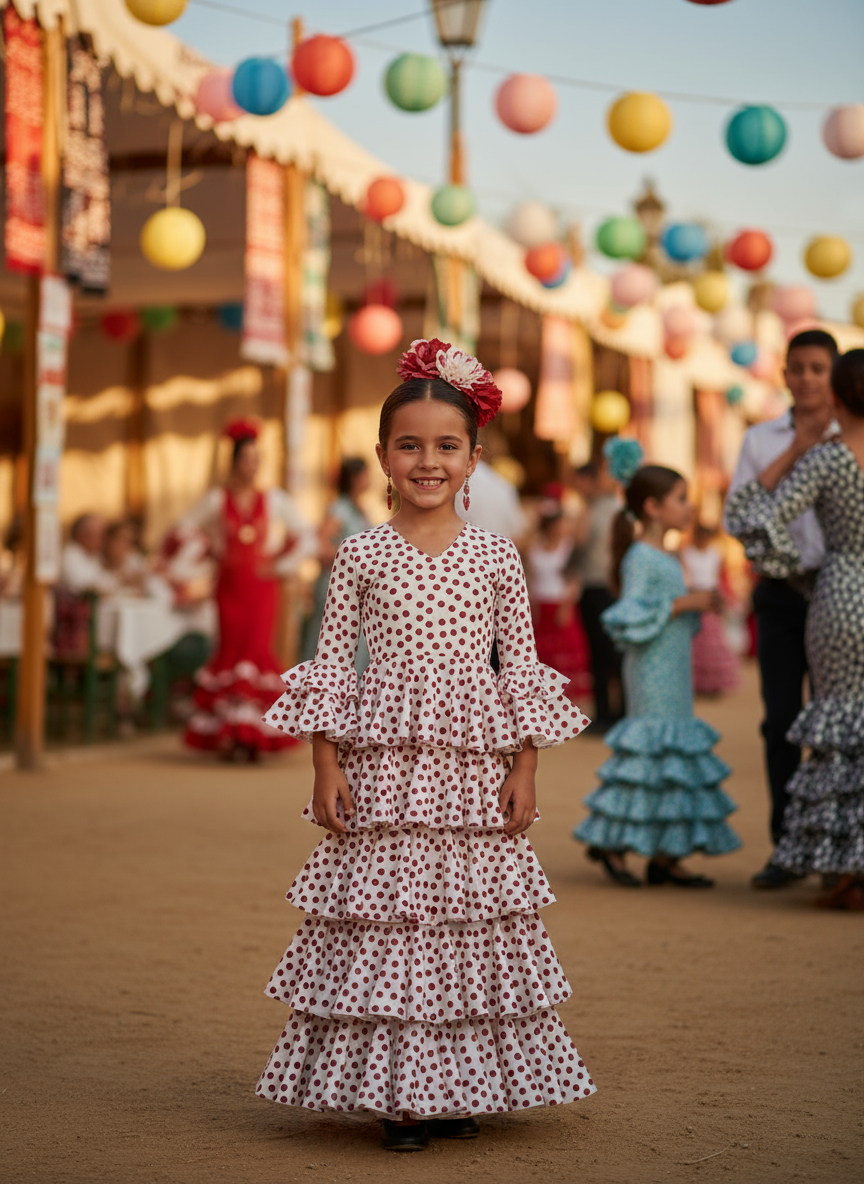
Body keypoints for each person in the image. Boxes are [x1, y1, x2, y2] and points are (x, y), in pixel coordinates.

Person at [256, 339, 594, 1150]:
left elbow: (521, 666)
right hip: (384, 772)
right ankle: (401, 1096)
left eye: (447, 446)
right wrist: (325, 762)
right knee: (393, 922)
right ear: (382, 456)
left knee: (463, 921)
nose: (428, 461)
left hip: (472, 772)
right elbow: (334, 664)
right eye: (409, 445)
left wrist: (527, 766)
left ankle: (456, 1081)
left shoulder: (495, 556)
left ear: (473, 458)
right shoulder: (362, 553)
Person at [725, 349, 864, 910]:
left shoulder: (829, 460)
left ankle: (844, 865)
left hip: (840, 592)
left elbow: (749, 516)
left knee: (839, 725)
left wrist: (788, 567)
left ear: (835, 394)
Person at [574, 445, 741, 888]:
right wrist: (685, 601)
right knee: (651, 751)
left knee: (671, 754)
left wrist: (697, 605)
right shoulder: (640, 558)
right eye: (681, 498)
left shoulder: (664, 556)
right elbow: (628, 615)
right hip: (650, 668)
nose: (689, 508)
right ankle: (612, 842)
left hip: (674, 666)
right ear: (652, 507)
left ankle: (665, 853)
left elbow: (660, 612)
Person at [179, 419, 314, 761]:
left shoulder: (274, 499)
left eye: (257, 459)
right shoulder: (216, 498)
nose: (252, 466)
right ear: (235, 462)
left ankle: (252, 735)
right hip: (228, 588)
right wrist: (210, 551)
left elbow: (304, 535)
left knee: (256, 652)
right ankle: (233, 733)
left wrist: (279, 564)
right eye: (246, 459)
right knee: (231, 652)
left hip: (260, 588)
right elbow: (183, 529)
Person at [568, 461, 624, 732]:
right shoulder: (617, 509)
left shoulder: (593, 509)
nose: (578, 487)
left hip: (596, 587)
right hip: (612, 587)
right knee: (613, 654)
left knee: (601, 655)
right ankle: (619, 712)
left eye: (580, 481)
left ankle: (605, 714)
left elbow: (579, 542)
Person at [301, 457, 371, 664]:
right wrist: (352, 556)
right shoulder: (340, 509)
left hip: (355, 591)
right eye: (365, 474)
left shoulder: (358, 509)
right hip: (337, 589)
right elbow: (319, 544)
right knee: (331, 647)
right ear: (355, 478)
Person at [527, 504, 593, 701]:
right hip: (540, 602)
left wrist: (566, 605)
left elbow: (574, 578)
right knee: (541, 647)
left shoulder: (570, 547)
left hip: (561, 602)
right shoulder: (535, 547)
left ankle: (568, 693)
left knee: (566, 645)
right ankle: (543, 689)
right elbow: (530, 577)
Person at [681, 523, 740, 696]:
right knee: (697, 643)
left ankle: (713, 685)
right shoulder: (687, 553)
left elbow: (721, 578)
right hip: (695, 599)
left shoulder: (716, 554)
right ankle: (698, 684)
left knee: (712, 643)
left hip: (710, 600)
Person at [59, 514, 119, 596]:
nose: (103, 541)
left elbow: (106, 580)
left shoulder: (94, 555)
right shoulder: (69, 556)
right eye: (98, 536)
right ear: (80, 535)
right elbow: (85, 588)